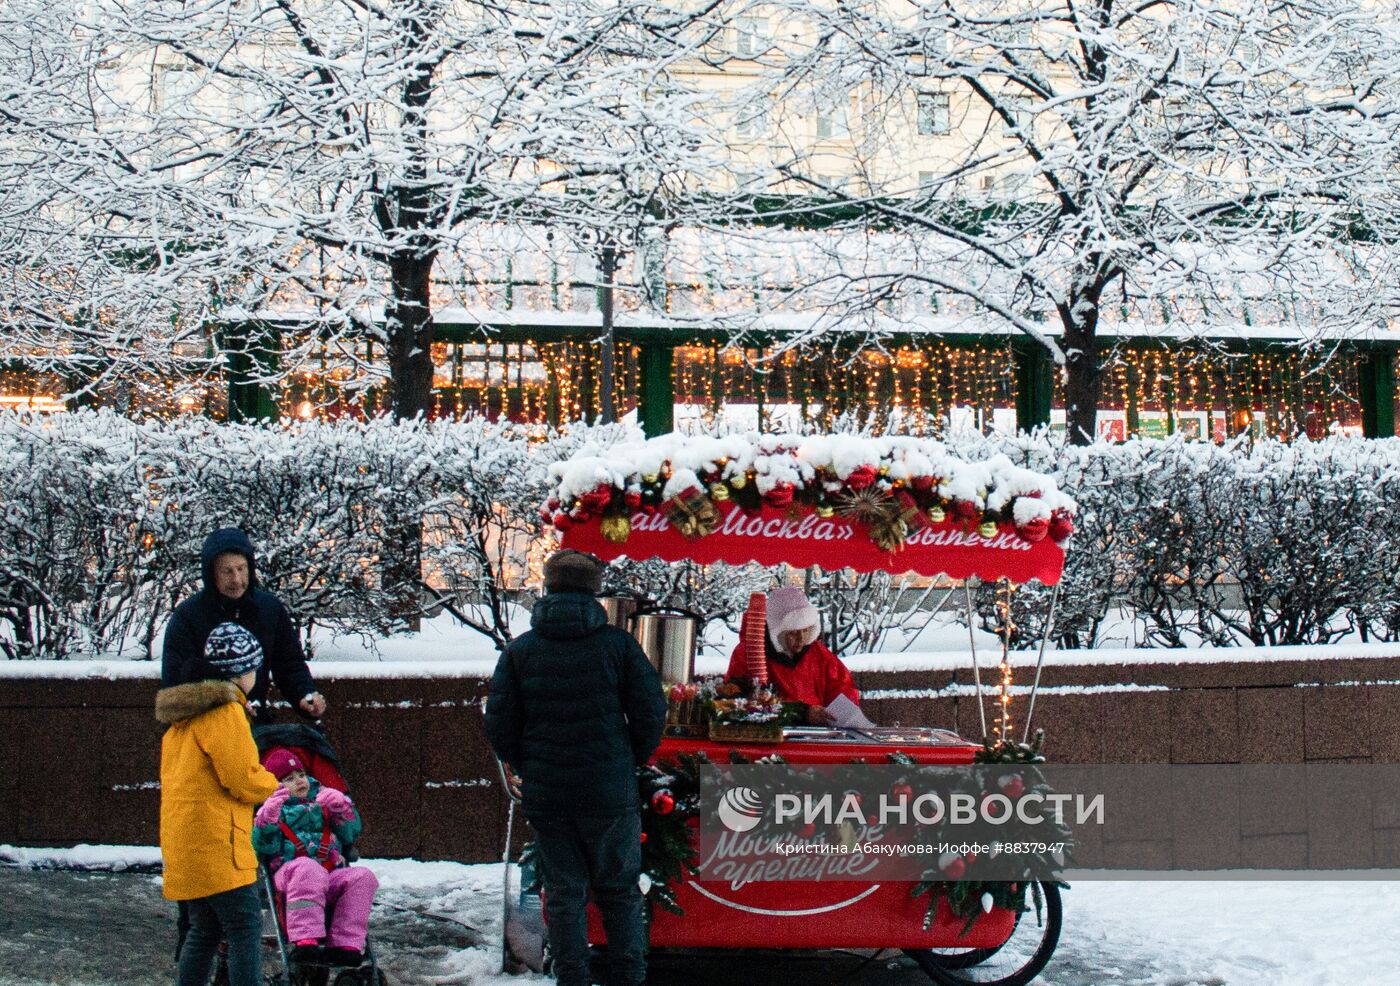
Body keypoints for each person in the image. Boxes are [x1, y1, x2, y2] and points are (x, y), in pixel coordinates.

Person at [484, 549, 666, 986]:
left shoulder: (521, 650)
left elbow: (499, 722)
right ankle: (628, 978)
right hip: (608, 790)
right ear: (594, 592)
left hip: (550, 794)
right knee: (620, 893)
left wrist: (529, 763)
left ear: (547, 587)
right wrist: (632, 758)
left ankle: (571, 979)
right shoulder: (618, 645)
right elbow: (650, 709)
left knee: (564, 896)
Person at [156, 622, 280, 986]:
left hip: (188, 842)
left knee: (204, 929)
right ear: (242, 672)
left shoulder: (185, 718)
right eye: (254, 668)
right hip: (218, 844)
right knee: (244, 925)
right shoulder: (224, 713)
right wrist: (272, 785)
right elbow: (242, 777)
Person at [162, 527, 326, 722]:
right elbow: (175, 683)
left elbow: (289, 665)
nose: (237, 579)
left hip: (256, 728)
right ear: (211, 574)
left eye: (241, 568)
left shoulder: (269, 610)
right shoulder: (187, 617)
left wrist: (304, 695)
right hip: (205, 730)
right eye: (227, 571)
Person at [253, 749, 379, 967]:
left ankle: (346, 944)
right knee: (306, 868)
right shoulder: (274, 809)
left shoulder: (324, 800)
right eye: (289, 779)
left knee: (362, 877)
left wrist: (342, 809)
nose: (299, 781)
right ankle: (305, 939)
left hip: (328, 873)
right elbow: (264, 847)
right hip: (291, 875)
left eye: (301, 775)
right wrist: (268, 819)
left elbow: (350, 834)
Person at [725, 586, 861, 726]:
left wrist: (840, 712)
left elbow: (840, 686)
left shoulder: (818, 653)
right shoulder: (748, 654)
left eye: (805, 631)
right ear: (776, 631)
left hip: (815, 736)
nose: (801, 639)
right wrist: (803, 713)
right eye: (793, 633)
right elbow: (738, 702)